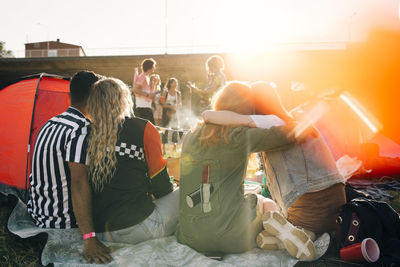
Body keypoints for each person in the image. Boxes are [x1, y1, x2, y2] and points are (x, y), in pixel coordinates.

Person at [202, 82, 346, 258]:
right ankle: (300, 234)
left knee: (258, 205)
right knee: (265, 206)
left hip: (306, 211)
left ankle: (294, 230)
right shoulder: (294, 121)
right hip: (337, 210)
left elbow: (207, 115)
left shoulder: (271, 123)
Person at [176, 82, 298, 256]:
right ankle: (279, 233)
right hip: (232, 238)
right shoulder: (238, 136)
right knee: (263, 201)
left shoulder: (191, 134)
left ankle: (271, 237)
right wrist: (249, 120)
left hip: (190, 236)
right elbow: (290, 133)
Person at [27, 71, 113, 264]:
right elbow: (78, 183)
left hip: (41, 214)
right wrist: (89, 238)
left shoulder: (49, 123)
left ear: (70, 95)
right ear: (95, 97)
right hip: (65, 222)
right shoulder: (82, 128)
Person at [87, 77, 179, 246]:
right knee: (187, 190)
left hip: (99, 234)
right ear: (124, 100)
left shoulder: (83, 133)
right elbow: (162, 188)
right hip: (139, 229)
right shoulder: (143, 128)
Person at [133, 58, 157, 124]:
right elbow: (135, 89)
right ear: (151, 67)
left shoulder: (147, 77)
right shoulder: (142, 76)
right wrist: (148, 95)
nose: (154, 68)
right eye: (154, 66)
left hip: (146, 107)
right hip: (142, 108)